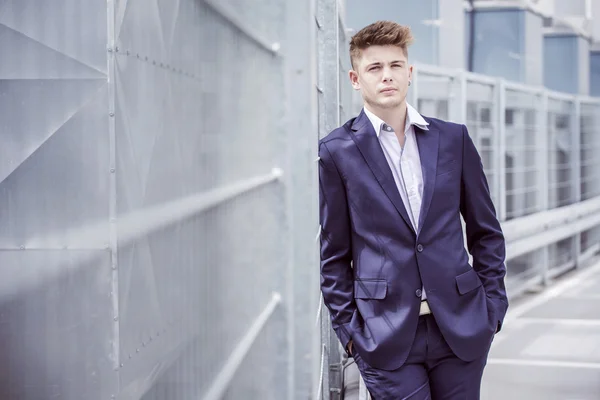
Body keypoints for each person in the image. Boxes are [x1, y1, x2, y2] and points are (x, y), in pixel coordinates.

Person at [318, 20, 508, 399]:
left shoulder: (453, 139)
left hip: (461, 326)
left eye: (395, 66)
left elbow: (485, 231)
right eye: (375, 68)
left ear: (409, 73)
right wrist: (352, 334)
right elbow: (334, 256)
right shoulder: (337, 151)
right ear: (356, 79)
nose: (386, 76)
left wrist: (492, 310)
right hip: (385, 337)